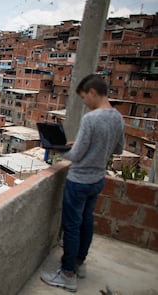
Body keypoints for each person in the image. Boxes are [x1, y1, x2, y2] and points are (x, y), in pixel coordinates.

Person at [41, 74, 124, 292]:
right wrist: (86, 145)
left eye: (85, 97)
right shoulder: (117, 117)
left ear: (93, 92)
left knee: (71, 226)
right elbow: (118, 149)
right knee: (86, 222)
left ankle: (67, 274)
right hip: (98, 179)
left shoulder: (91, 118)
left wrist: (58, 150)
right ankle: (79, 264)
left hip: (79, 181)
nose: (84, 102)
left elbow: (76, 156)